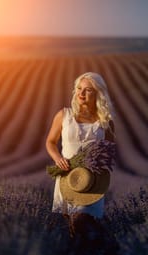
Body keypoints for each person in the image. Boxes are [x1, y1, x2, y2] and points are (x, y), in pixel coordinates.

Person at [46, 72, 115, 239]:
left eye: (88, 90)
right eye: (79, 88)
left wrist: (96, 163)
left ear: (98, 93)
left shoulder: (105, 121)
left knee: (83, 222)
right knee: (66, 227)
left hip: (91, 182)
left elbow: (109, 151)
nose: (81, 93)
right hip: (67, 177)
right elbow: (50, 142)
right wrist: (58, 159)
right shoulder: (64, 115)